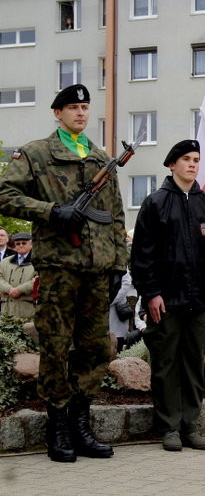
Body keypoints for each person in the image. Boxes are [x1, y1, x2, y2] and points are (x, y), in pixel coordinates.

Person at [0, 84, 127, 463]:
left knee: (94, 347)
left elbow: (117, 216)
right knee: (56, 346)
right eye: (72, 107)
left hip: (97, 269)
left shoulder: (101, 158)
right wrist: (52, 211)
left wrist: (119, 263)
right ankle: (57, 425)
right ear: (58, 113)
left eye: (85, 107)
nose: (81, 113)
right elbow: (4, 194)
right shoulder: (37, 153)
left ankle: (81, 424)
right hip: (59, 269)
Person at [131, 139, 205, 452]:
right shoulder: (155, 203)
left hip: (199, 301)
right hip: (166, 302)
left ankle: (190, 426)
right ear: (171, 164)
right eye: (186, 159)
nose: (192, 164)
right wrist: (151, 293)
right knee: (165, 366)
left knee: (193, 364)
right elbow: (142, 256)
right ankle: (170, 428)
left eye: (196, 159)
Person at [0, 232, 37, 324]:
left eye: (24, 243)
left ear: (31, 244)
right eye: (18, 243)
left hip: (27, 310)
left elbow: (38, 279)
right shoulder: (5, 262)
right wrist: (8, 289)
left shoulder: (38, 261)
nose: (20, 245)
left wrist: (20, 290)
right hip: (6, 310)